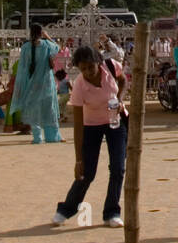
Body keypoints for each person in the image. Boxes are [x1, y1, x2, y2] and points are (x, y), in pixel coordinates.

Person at [53, 45, 128, 227]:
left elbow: (123, 80)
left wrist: (120, 98)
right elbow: (78, 124)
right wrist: (79, 159)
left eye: (90, 67)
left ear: (98, 63)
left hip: (115, 123)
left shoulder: (111, 66)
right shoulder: (79, 85)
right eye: (83, 69)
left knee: (118, 168)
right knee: (87, 173)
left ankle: (111, 212)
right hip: (91, 126)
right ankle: (66, 209)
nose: (87, 72)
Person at [12, 25, 61, 144]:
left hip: (32, 83)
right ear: (41, 32)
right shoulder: (47, 45)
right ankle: (52, 137)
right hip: (47, 84)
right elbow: (58, 48)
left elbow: (23, 67)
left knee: (34, 110)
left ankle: (37, 137)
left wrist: (21, 85)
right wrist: (47, 36)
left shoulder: (25, 47)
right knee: (48, 110)